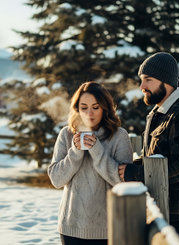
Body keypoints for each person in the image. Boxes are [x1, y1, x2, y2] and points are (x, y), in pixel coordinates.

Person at [118, 52, 179, 245]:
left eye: (148, 80)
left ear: (166, 82)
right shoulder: (160, 113)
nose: (142, 86)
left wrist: (135, 173)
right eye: (141, 80)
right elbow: (153, 157)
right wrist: (129, 164)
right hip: (164, 209)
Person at [48, 81, 134, 245]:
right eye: (84, 107)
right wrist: (75, 152)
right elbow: (56, 180)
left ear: (104, 108)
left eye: (95, 107)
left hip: (107, 230)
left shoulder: (119, 136)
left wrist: (96, 150)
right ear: (77, 109)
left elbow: (123, 183)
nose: (89, 113)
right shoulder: (66, 135)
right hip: (71, 228)